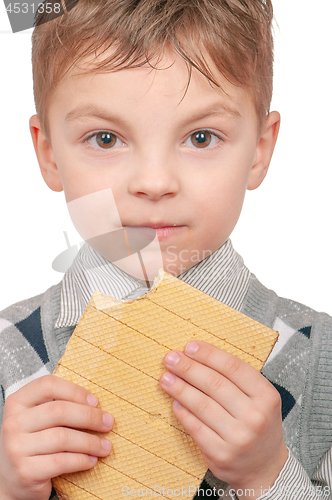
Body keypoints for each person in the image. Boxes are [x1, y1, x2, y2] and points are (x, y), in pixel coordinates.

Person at [0, 1, 331, 499]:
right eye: (106, 138)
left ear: (260, 149)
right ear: (48, 153)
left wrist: (269, 477)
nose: (154, 183)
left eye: (200, 137)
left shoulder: (321, 358)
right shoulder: (8, 353)